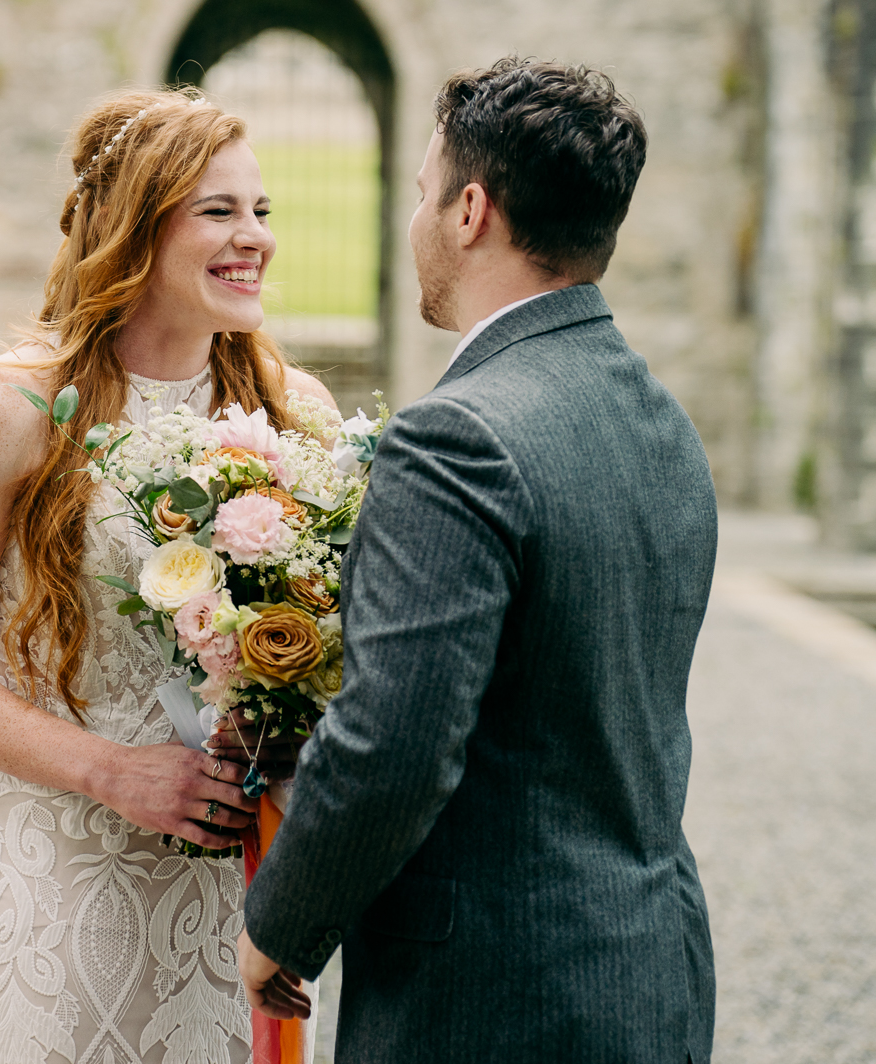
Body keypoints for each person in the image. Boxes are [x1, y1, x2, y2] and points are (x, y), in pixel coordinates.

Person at [235, 58, 720, 1063]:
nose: (414, 221)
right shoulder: (661, 420)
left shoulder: (458, 436)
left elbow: (394, 743)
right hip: (649, 969)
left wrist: (278, 925)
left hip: (493, 996)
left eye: (420, 193)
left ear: (469, 210)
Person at [0, 89, 337, 1064]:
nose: (251, 236)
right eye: (217, 210)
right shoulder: (5, 409)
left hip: (236, 888)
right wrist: (114, 771)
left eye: (261, 211)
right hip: (62, 877)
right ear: (135, 224)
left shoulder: (297, 413)